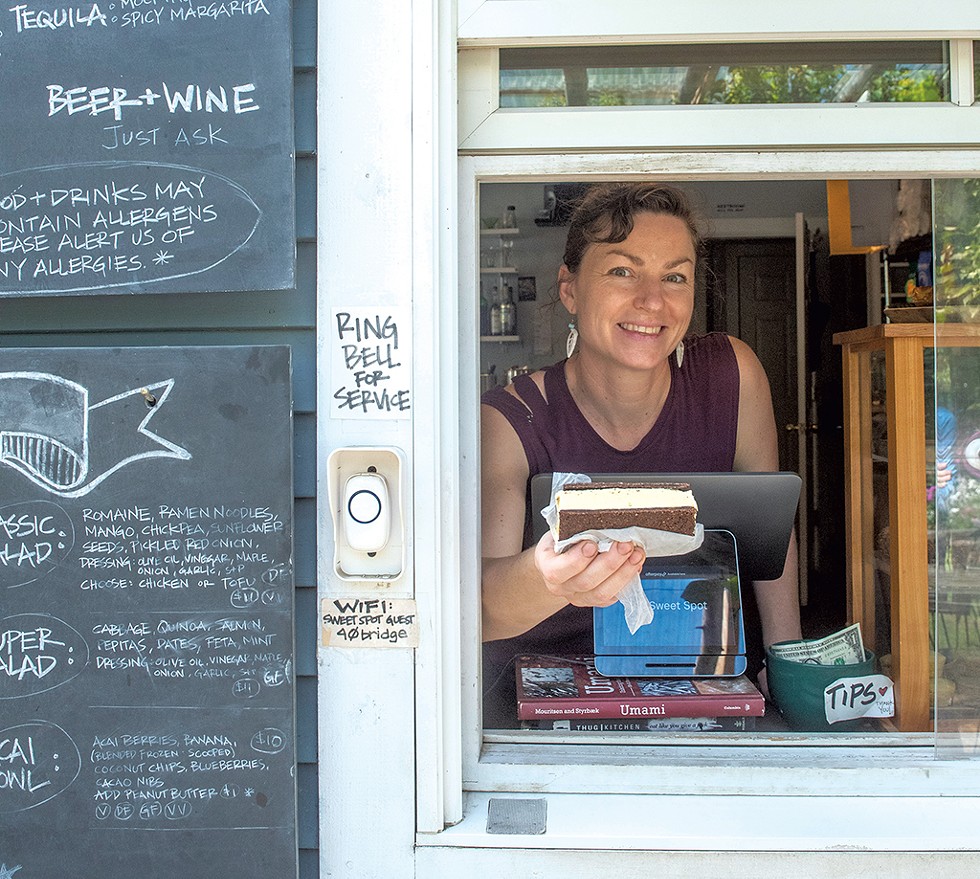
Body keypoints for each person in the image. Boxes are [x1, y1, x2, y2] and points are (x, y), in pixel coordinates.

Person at [480, 182, 802, 725]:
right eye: (623, 271)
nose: (653, 300)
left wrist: (785, 660)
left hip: (703, 683)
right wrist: (553, 577)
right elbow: (482, 606)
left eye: (675, 276)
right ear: (570, 289)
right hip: (547, 700)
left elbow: (770, 530)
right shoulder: (512, 419)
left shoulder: (732, 376)